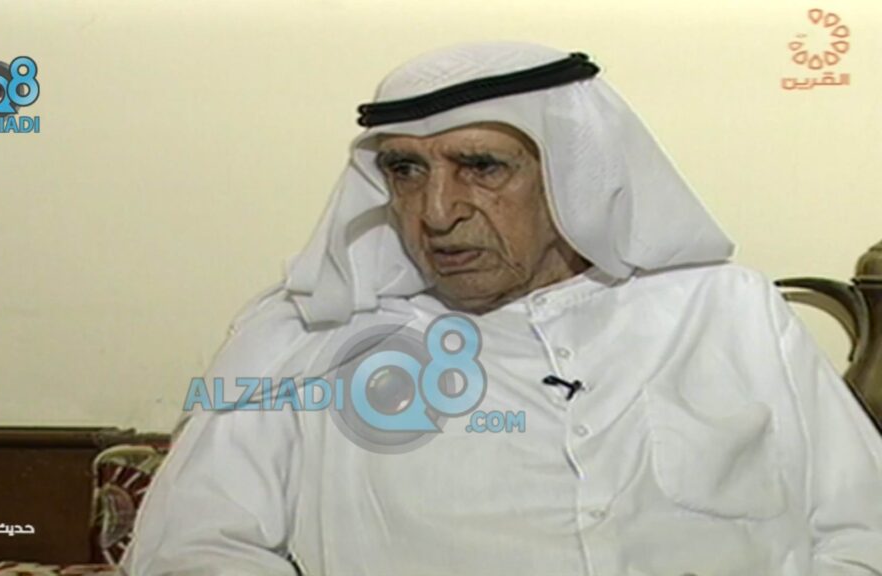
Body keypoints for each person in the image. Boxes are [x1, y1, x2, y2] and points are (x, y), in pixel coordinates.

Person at [124, 42, 882, 575]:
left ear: (574, 175)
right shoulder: (311, 337)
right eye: (406, 170)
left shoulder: (728, 313)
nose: (437, 211)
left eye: (481, 167)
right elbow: (193, 549)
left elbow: (863, 533)